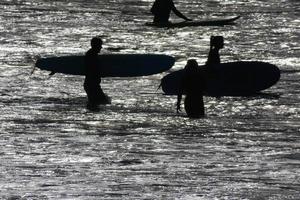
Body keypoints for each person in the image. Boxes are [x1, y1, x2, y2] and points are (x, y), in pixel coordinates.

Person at [84, 36, 110, 111]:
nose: (101, 47)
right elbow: (92, 70)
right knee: (101, 102)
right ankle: (90, 117)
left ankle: (90, 116)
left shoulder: (91, 54)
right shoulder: (91, 55)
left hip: (92, 84)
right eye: (100, 45)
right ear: (95, 45)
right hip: (92, 85)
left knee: (97, 104)